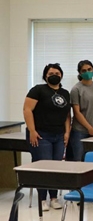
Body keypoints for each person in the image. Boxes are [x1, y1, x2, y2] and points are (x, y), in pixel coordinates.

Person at [23, 63, 71, 211]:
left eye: (57, 72)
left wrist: (67, 132)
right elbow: (27, 109)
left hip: (58, 135)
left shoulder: (65, 93)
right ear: (45, 76)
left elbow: (67, 115)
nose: (54, 75)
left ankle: (54, 198)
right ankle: (42, 199)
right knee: (43, 167)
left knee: (55, 168)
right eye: (50, 73)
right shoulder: (38, 90)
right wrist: (32, 130)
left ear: (61, 75)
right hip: (41, 135)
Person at [68, 60, 93, 161]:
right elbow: (77, 112)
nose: (87, 72)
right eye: (84, 70)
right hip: (80, 131)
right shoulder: (76, 89)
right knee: (79, 160)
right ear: (80, 73)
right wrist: (89, 128)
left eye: (89, 69)